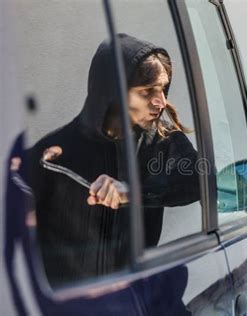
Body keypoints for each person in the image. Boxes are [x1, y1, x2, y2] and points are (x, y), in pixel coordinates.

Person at [27, 34, 200, 286]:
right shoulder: (54, 152)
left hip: (133, 297)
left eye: (163, 88)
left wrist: (132, 193)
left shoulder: (162, 140)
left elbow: (201, 181)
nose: (161, 102)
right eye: (147, 91)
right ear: (114, 94)